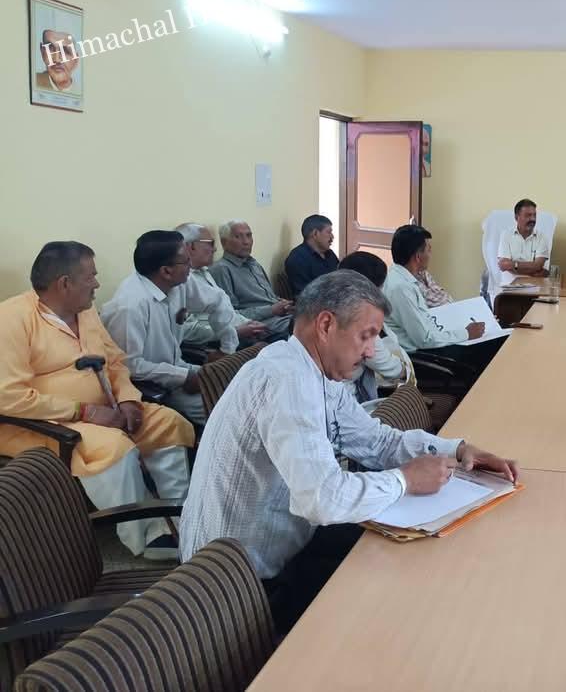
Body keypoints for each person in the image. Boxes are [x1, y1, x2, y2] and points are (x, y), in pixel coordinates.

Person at [179, 270, 518, 635]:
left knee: (410, 566)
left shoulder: (319, 373)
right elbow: (322, 500)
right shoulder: (287, 381)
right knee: (391, 606)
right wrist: (405, 480)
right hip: (236, 587)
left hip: (285, 547)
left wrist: (457, 449)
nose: (371, 351)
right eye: (365, 335)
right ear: (326, 325)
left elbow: (376, 441)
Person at [0, 242, 193, 560]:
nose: (97, 284)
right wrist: (84, 411)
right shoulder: (11, 319)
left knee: (167, 422)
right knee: (113, 447)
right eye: (91, 276)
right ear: (65, 283)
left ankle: (183, 517)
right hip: (40, 424)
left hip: (106, 411)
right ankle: (146, 536)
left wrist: (128, 399)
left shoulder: (85, 311)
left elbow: (115, 361)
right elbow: (8, 397)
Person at [101, 230, 231, 427]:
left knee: (241, 387)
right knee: (230, 413)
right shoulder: (129, 306)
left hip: (180, 369)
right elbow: (129, 366)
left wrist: (227, 349)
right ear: (166, 271)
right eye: (186, 261)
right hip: (152, 388)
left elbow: (217, 300)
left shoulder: (179, 282)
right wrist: (182, 377)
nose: (191, 266)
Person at [382, 225, 505, 372]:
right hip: (424, 356)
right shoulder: (401, 288)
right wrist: (467, 333)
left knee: (496, 334)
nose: (431, 254)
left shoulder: (404, 278)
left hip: (432, 341)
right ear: (418, 257)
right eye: (429, 249)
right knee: (493, 344)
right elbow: (425, 339)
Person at [175, 223, 266, 351]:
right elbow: (185, 329)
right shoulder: (179, 280)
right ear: (191, 247)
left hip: (232, 336)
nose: (215, 249)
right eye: (211, 244)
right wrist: (234, 331)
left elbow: (226, 310)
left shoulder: (205, 272)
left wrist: (247, 322)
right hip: (208, 346)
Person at [338, 251, 413, 403]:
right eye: (380, 288)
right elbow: (389, 368)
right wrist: (405, 369)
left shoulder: (331, 303)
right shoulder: (359, 321)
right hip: (347, 402)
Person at [210, 219, 294, 338]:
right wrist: (271, 310)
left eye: (249, 236)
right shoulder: (221, 270)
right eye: (238, 237)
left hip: (283, 317)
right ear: (224, 242)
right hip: (262, 325)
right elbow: (230, 316)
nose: (246, 242)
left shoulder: (254, 264)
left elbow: (267, 299)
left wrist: (282, 303)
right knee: (310, 329)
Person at [284, 214, 340, 297]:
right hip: (319, 302)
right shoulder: (297, 259)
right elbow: (304, 295)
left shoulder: (330, 254)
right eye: (329, 232)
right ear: (315, 233)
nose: (332, 237)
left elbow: (341, 276)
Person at [497, 199, 550, 277]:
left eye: (534, 215)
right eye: (528, 215)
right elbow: (504, 265)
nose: (533, 219)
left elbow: (538, 265)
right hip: (510, 284)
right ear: (516, 217)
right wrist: (534, 268)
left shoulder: (542, 237)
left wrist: (513, 265)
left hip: (534, 283)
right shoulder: (506, 235)